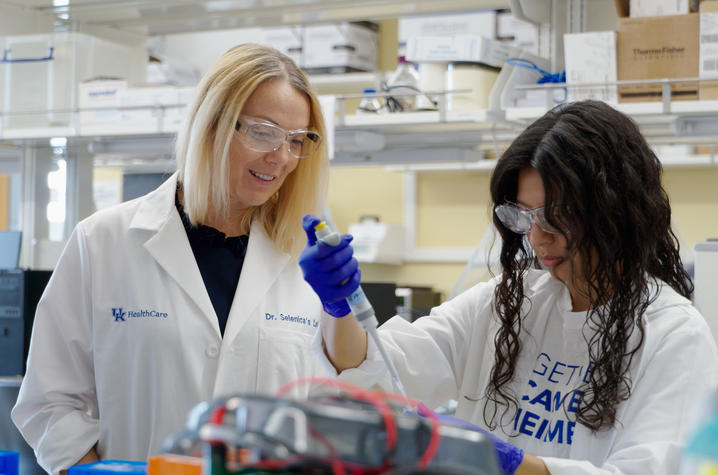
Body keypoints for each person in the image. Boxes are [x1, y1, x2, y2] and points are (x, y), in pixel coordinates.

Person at [300, 100, 718, 474]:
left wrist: (509, 464)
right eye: (523, 215)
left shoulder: (673, 334)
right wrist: (338, 307)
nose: (536, 238)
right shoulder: (508, 302)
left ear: (617, 208)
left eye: (556, 214)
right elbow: (380, 372)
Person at [12, 43, 330, 474]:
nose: (281, 157)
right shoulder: (103, 241)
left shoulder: (309, 261)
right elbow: (48, 400)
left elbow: (335, 413)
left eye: (297, 140)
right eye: (263, 132)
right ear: (212, 126)